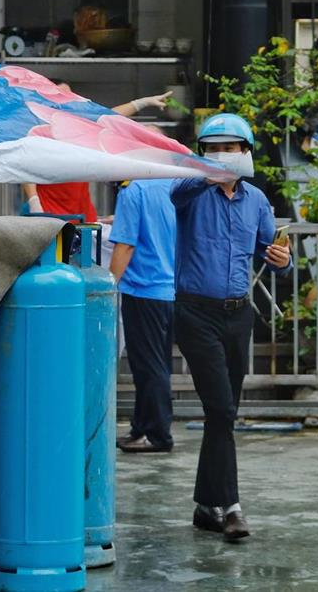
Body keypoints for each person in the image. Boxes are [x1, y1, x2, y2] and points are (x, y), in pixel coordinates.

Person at [171, 113, 291, 542]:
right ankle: (233, 508)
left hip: (238, 314)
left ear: (247, 152)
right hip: (194, 312)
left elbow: (268, 249)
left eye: (231, 148)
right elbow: (176, 193)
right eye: (213, 148)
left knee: (222, 415)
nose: (222, 154)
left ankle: (207, 505)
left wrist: (282, 259)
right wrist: (206, 173)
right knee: (221, 408)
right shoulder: (190, 190)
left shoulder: (256, 200)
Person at [22, 79, 172, 219]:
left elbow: (109, 117)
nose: (68, 99)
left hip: (82, 217)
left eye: (70, 95)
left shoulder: (76, 127)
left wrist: (142, 103)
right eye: (62, 95)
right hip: (50, 215)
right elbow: (27, 168)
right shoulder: (40, 131)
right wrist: (35, 203)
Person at [109, 178, 177, 453]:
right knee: (158, 364)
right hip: (172, 289)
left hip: (143, 289)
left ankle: (157, 434)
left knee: (147, 366)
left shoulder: (133, 191)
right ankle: (141, 427)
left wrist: (108, 285)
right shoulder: (174, 185)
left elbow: (126, 245)